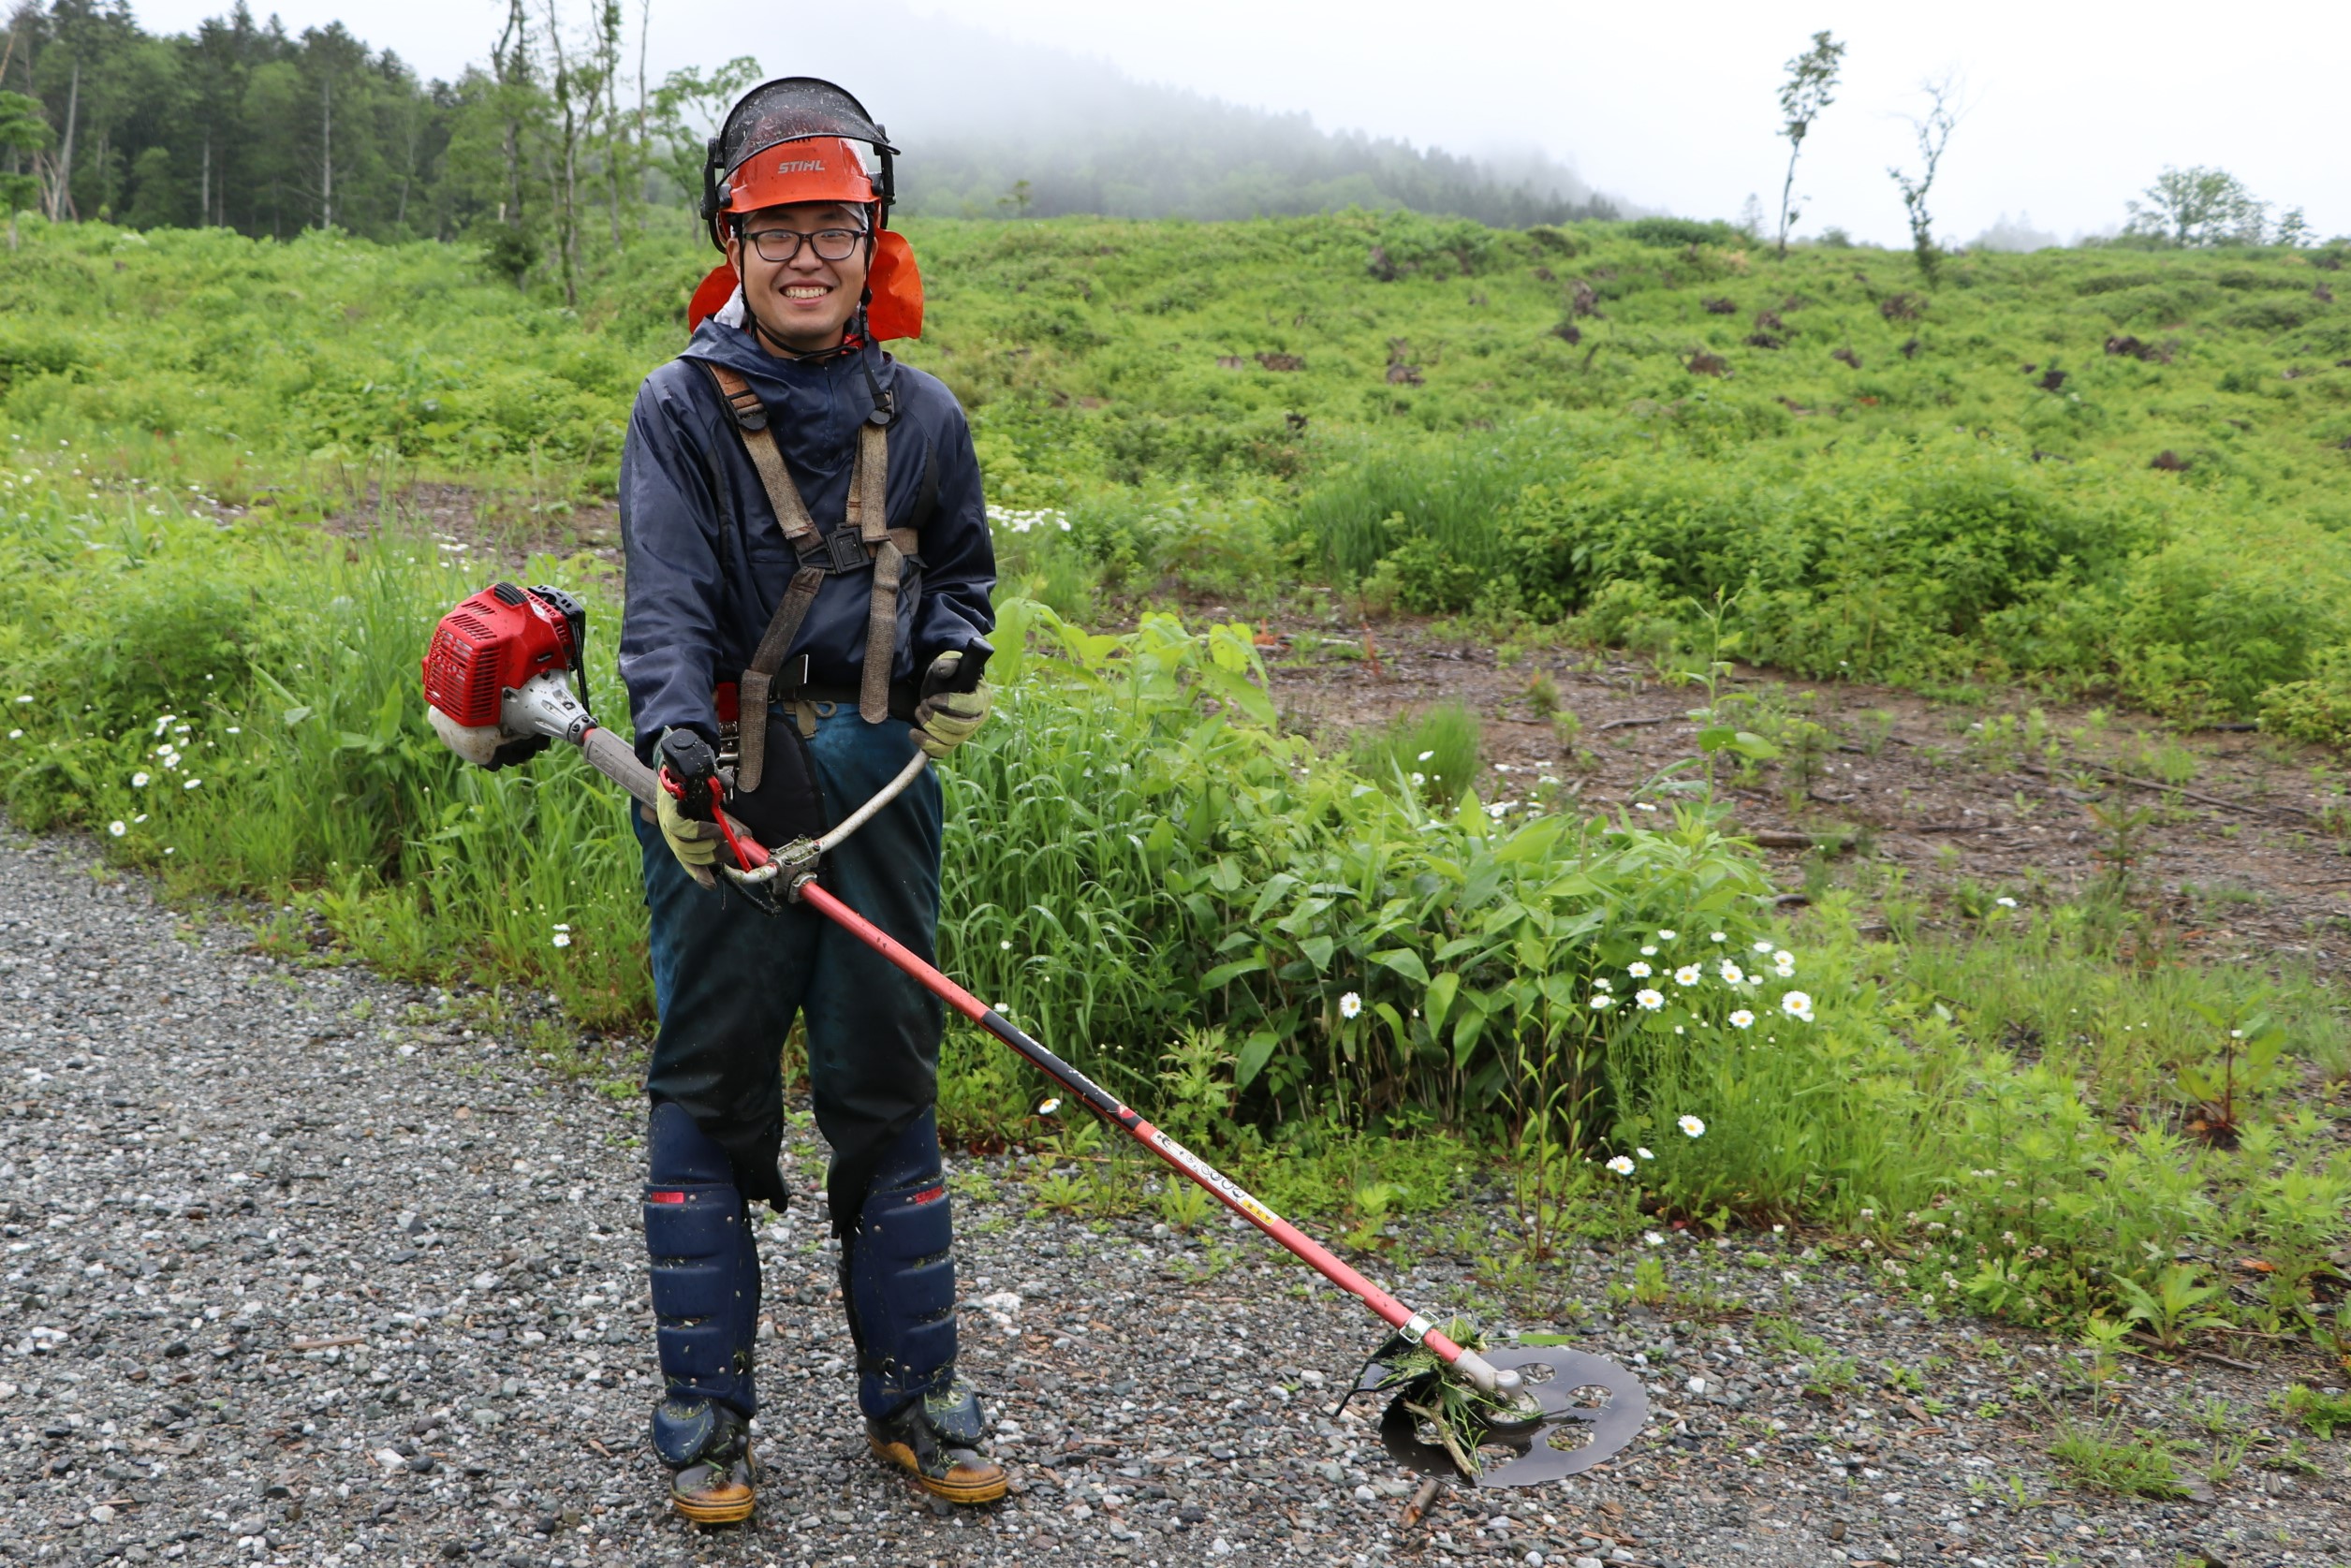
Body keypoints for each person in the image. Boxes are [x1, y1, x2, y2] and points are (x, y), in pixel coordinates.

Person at [613, 76, 1001, 1524]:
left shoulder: (930, 413)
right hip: (729, 773)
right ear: (732, 238)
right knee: (712, 1087)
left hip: (884, 784)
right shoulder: (678, 410)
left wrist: (960, 649)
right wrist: (676, 747)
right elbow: (662, 602)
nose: (805, 256)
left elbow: (960, 566)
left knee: (887, 1074)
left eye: (833, 227)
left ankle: (916, 1400)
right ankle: (704, 1416)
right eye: (774, 229)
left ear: (872, 239)